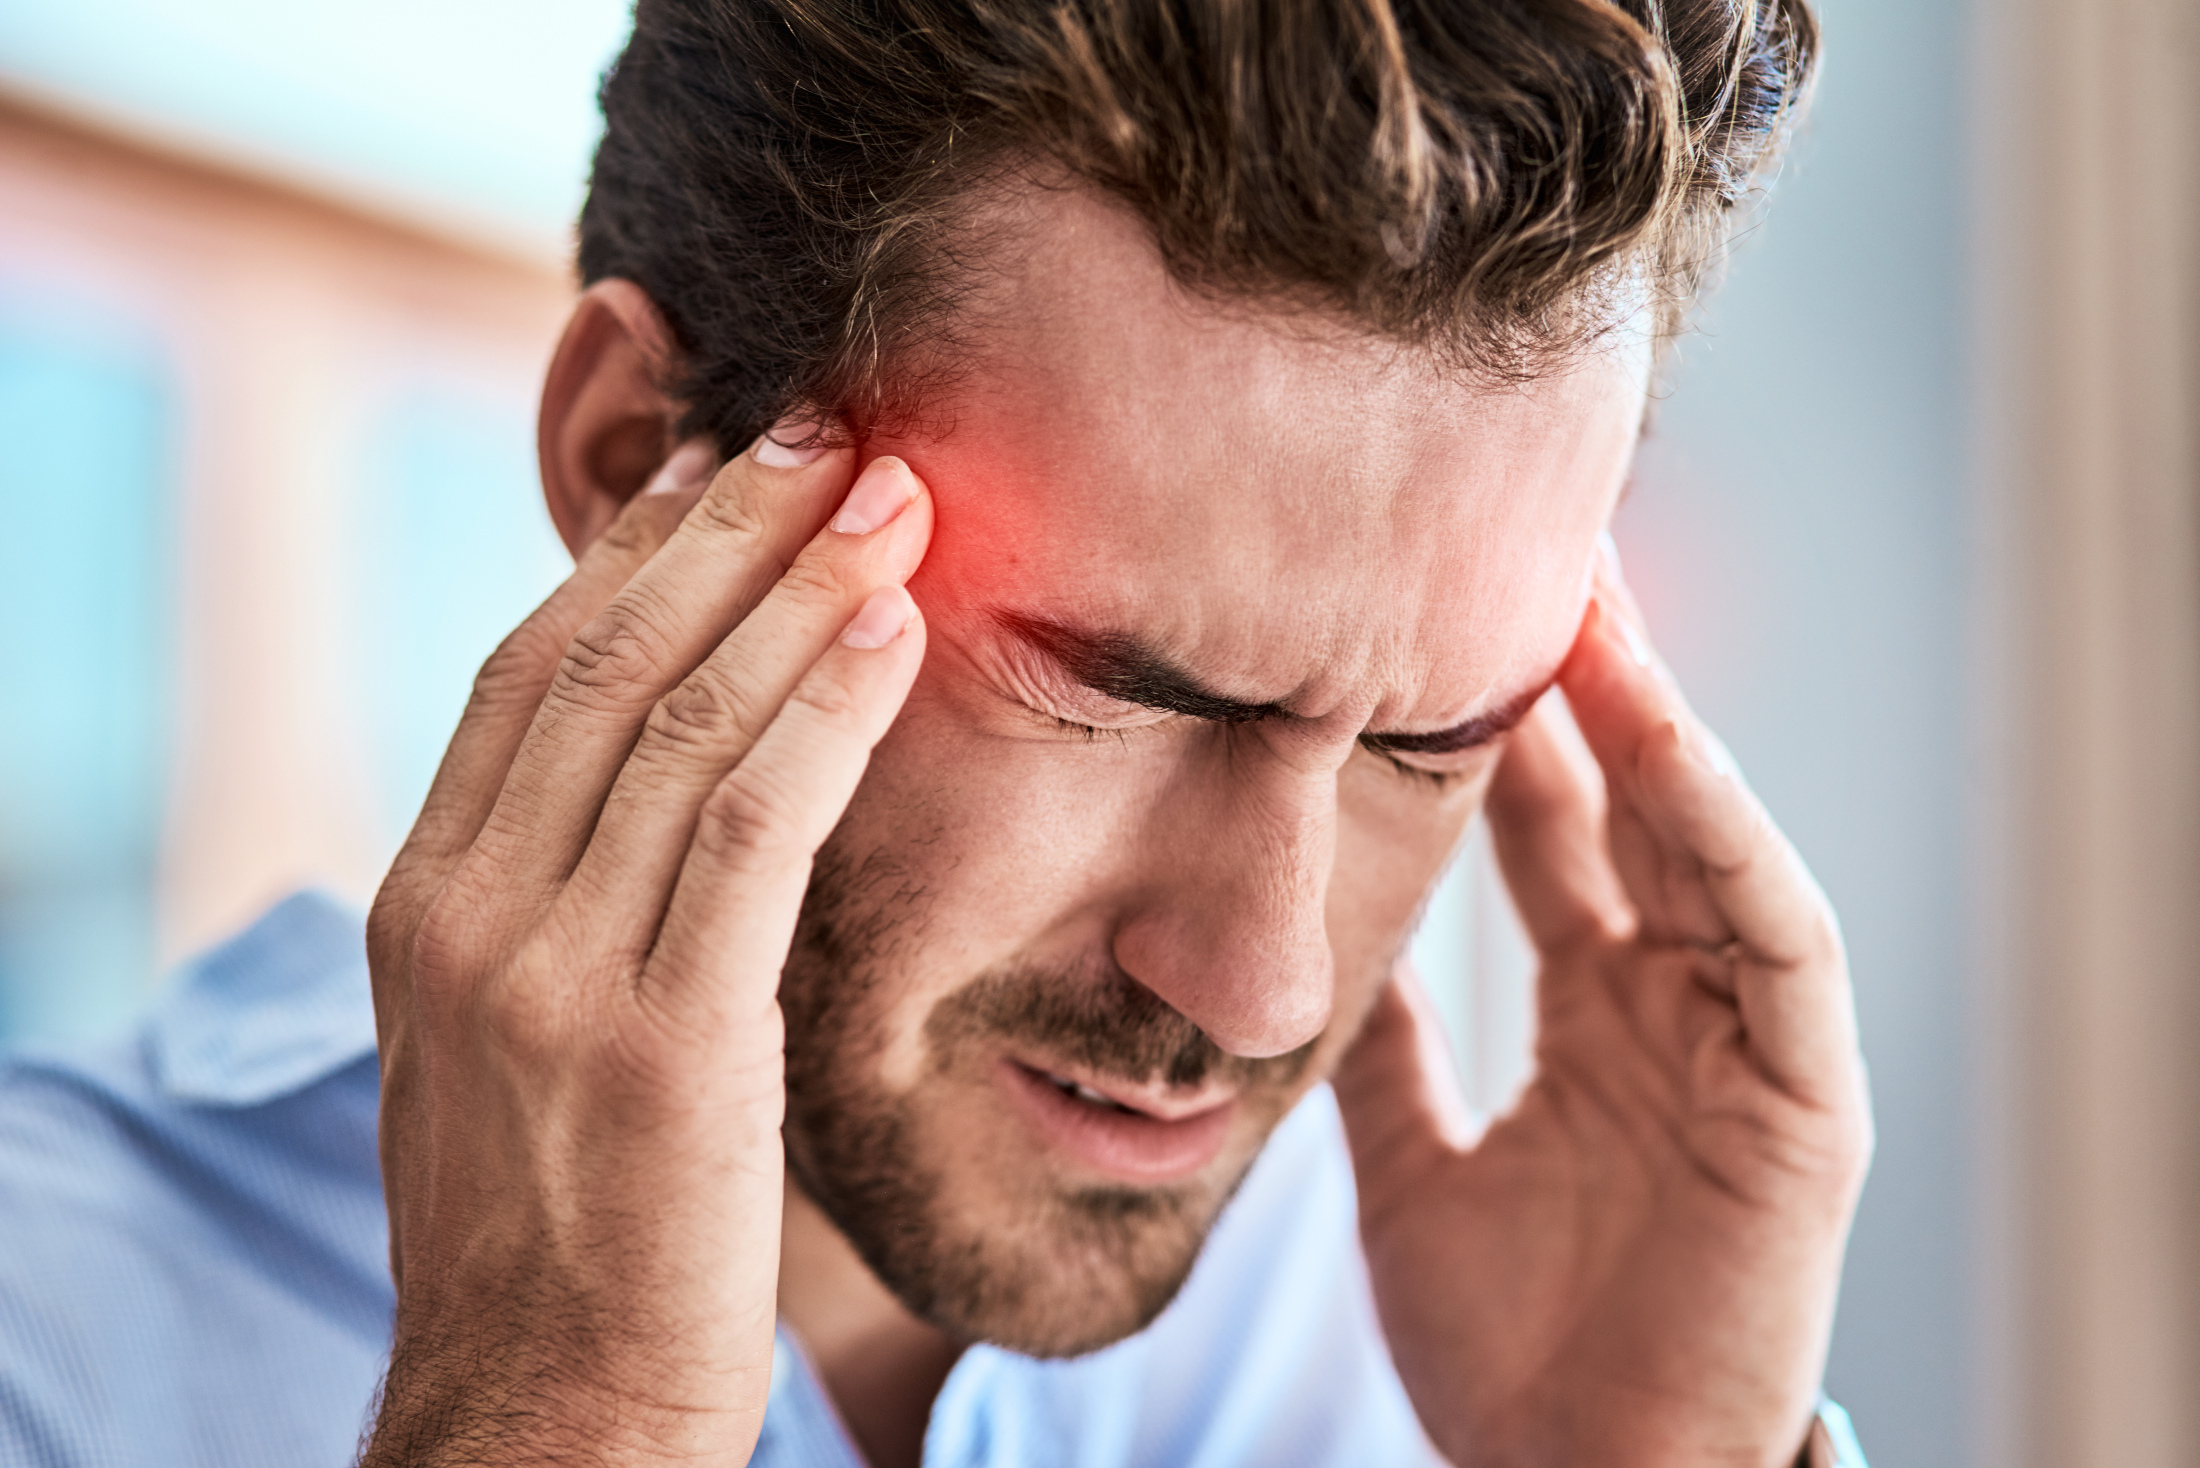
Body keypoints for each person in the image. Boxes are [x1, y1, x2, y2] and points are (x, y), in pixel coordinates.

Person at [0, 1, 1875, 1465]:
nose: (1262, 987)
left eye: (1431, 738)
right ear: (625, 466)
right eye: (1120, 687)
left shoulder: (1460, 1349)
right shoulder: (51, 1344)